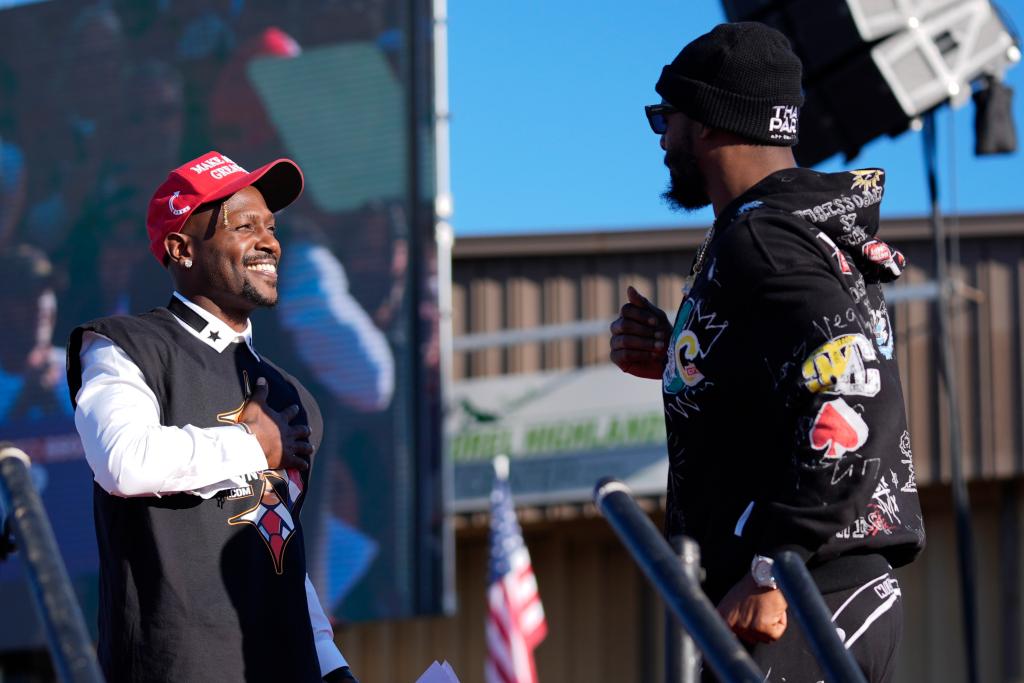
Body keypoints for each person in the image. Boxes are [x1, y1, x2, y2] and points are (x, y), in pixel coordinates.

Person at [609, 22, 925, 682]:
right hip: (827, 593)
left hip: (808, 594)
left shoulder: (763, 238)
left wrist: (773, 562)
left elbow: (854, 388)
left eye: (668, 117)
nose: (664, 139)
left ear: (711, 122)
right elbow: (804, 366)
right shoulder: (792, 228)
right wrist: (684, 358)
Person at [66, 151, 359, 682]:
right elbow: (122, 461)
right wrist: (250, 445)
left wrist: (331, 663)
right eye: (245, 226)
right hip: (179, 665)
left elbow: (281, 543)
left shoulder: (295, 397)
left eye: (271, 227)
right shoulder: (125, 347)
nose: (269, 242)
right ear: (181, 247)